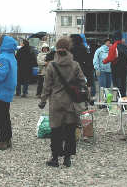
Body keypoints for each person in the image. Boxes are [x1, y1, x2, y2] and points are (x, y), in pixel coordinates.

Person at [39, 38, 86, 168]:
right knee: (70, 131)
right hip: (71, 103)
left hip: (56, 102)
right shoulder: (75, 65)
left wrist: (43, 101)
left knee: (56, 131)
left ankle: (54, 158)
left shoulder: (52, 66)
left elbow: (46, 86)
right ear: (69, 48)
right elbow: (83, 82)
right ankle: (67, 159)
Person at [103, 30, 127, 97]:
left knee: (118, 87)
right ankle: (123, 103)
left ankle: (119, 101)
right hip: (124, 70)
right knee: (123, 87)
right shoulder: (126, 47)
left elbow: (110, 58)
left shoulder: (113, 47)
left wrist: (103, 61)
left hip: (116, 70)